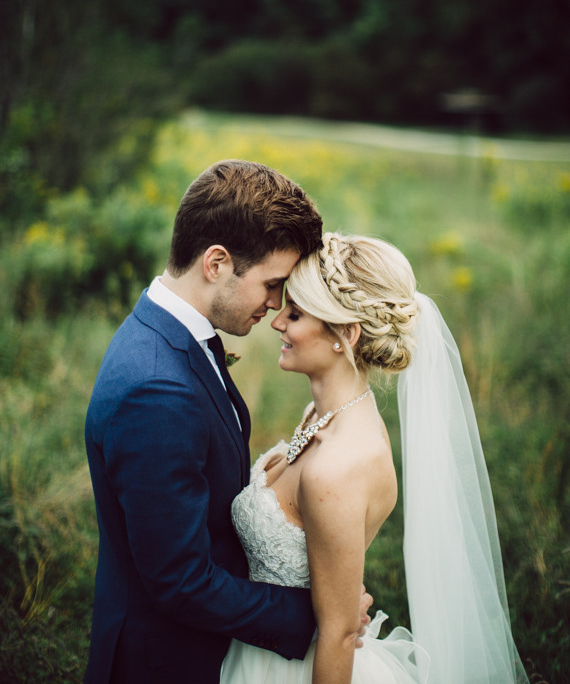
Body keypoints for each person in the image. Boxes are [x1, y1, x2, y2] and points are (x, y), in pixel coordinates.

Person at [85, 160, 373, 684]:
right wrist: (321, 619)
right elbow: (179, 582)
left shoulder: (165, 332)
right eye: (272, 284)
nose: (277, 305)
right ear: (216, 263)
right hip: (165, 663)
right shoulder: (157, 390)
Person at [220, 232, 530, 684]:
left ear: (344, 335)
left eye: (296, 312)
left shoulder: (339, 467)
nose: (277, 322)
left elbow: (341, 634)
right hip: (257, 643)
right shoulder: (321, 416)